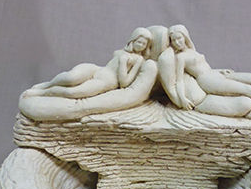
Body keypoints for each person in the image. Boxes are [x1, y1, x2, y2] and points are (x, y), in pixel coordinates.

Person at [158, 24, 251, 122]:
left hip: (215, 74)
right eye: (174, 40)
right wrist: (182, 98)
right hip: (208, 81)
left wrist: (219, 70)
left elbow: (204, 67)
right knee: (247, 90)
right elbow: (178, 80)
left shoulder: (191, 50)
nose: (177, 42)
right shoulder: (180, 57)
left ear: (185, 37)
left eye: (179, 38)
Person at [19, 28, 158, 121]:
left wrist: (130, 64)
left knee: (74, 92)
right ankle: (45, 86)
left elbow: (124, 83)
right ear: (132, 40)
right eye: (139, 42)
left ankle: (42, 93)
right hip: (96, 69)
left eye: (144, 44)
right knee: (70, 78)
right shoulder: (121, 52)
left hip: (107, 82)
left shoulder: (137, 60)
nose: (140, 46)